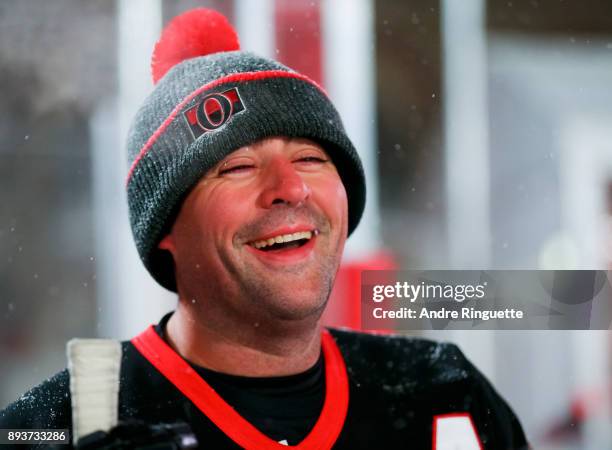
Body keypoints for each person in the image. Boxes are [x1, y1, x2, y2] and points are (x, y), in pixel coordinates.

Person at [0, 8, 528, 450]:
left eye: (310, 157)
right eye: (236, 167)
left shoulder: (442, 390)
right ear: (165, 228)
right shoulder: (57, 428)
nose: (290, 188)